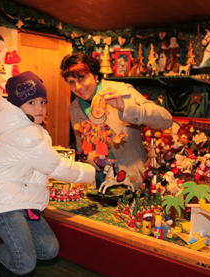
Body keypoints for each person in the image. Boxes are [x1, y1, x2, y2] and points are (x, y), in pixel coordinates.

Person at [0, 71, 95, 275]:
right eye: (31, 103)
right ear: (16, 106)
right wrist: (92, 173)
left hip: (24, 200)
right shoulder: (25, 134)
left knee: (49, 249)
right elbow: (57, 167)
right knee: (23, 264)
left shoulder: (28, 129)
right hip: (5, 203)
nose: (40, 108)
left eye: (43, 101)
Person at [60, 52, 173, 189]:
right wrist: (95, 162)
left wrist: (125, 107)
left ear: (95, 75)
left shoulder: (122, 91)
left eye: (82, 78)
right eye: (72, 82)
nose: (77, 87)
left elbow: (166, 120)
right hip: (98, 188)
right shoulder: (75, 109)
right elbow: (83, 150)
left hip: (133, 183)